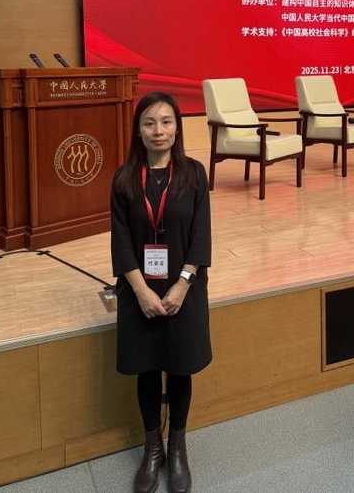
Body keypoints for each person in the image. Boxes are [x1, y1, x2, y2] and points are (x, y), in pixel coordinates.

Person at [110, 91, 212, 493]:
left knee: (180, 367)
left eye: (166, 122)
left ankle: (177, 448)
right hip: (141, 291)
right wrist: (141, 292)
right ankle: (152, 449)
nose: (159, 130)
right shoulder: (124, 179)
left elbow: (201, 236)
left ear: (177, 128)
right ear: (138, 130)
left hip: (183, 289)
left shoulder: (194, 174)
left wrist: (183, 284)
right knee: (148, 368)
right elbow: (121, 243)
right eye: (149, 122)